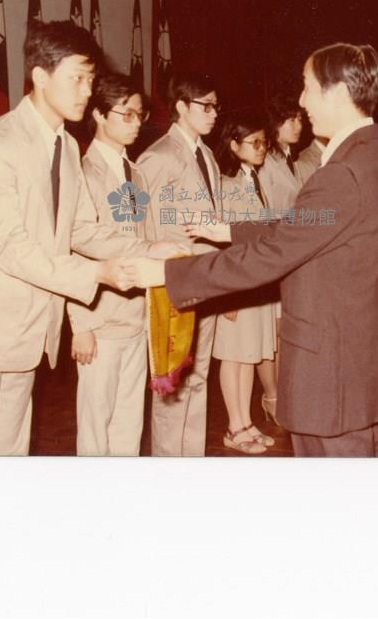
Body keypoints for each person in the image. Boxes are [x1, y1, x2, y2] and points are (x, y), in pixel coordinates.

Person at [129, 42, 378, 457]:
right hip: (352, 367)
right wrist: (230, 230)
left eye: (307, 87)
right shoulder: (377, 158)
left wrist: (168, 273)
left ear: (336, 93)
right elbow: (312, 225)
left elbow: (278, 251)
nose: (302, 102)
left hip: (331, 376)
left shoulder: (344, 171)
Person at [0, 20, 182, 456]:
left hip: (26, 332)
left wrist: (150, 249)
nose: (86, 91)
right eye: (77, 78)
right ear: (41, 77)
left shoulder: (66, 149)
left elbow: (82, 229)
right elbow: (9, 246)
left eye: (90, 79)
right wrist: (96, 273)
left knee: (11, 456)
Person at [136, 69, 223, 456]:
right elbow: (143, 223)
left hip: (207, 279)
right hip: (174, 282)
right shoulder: (158, 156)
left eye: (216, 106)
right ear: (182, 107)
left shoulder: (207, 155)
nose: (214, 113)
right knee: (172, 384)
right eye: (206, 106)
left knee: (198, 376)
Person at [66, 73, 152, 456]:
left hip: (135, 316)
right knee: (95, 424)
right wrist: (81, 325)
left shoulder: (136, 173)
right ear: (100, 115)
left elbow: (141, 238)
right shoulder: (83, 174)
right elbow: (72, 251)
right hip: (100, 319)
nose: (136, 123)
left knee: (129, 421)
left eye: (140, 115)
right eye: (126, 114)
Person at [211, 112, 279, 454]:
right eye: (254, 142)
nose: (262, 147)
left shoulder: (253, 179)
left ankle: (246, 421)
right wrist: (230, 294)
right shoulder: (226, 185)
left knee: (249, 355)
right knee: (233, 356)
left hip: (256, 282)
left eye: (264, 142)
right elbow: (226, 242)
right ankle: (233, 427)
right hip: (237, 284)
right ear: (234, 146)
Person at [256, 94, 306, 424]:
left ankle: (283, 393)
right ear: (275, 125)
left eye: (300, 119)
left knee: (284, 328)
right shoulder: (267, 163)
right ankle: (271, 396)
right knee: (270, 331)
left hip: (291, 253)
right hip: (273, 250)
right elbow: (262, 212)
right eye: (290, 120)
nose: (297, 125)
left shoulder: (291, 161)